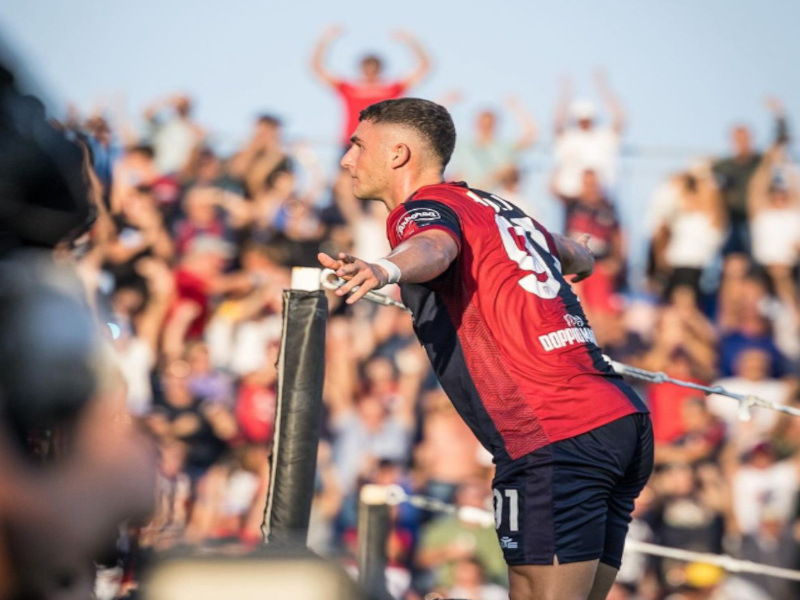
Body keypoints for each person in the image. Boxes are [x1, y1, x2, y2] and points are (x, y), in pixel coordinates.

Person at [318, 98, 653, 600]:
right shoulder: (493, 206)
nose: (346, 159)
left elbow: (434, 247)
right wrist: (579, 256)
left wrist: (385, 269)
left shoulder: (419, 212)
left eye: (358, 145)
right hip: (617, 417)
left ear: (399, 154)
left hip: (552, 432)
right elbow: (571, 253)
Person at [311, 25, 431, 149]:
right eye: (367, 69)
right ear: (361, 69)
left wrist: (411, 41)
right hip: (353, 142)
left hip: (384, 142)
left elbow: (424, 67)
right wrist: (325, 40)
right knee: (345, 167)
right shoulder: (349, 88)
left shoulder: (391, 89)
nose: (370, 73)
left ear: (380, 69)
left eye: (373, 69)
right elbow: (316, 67)